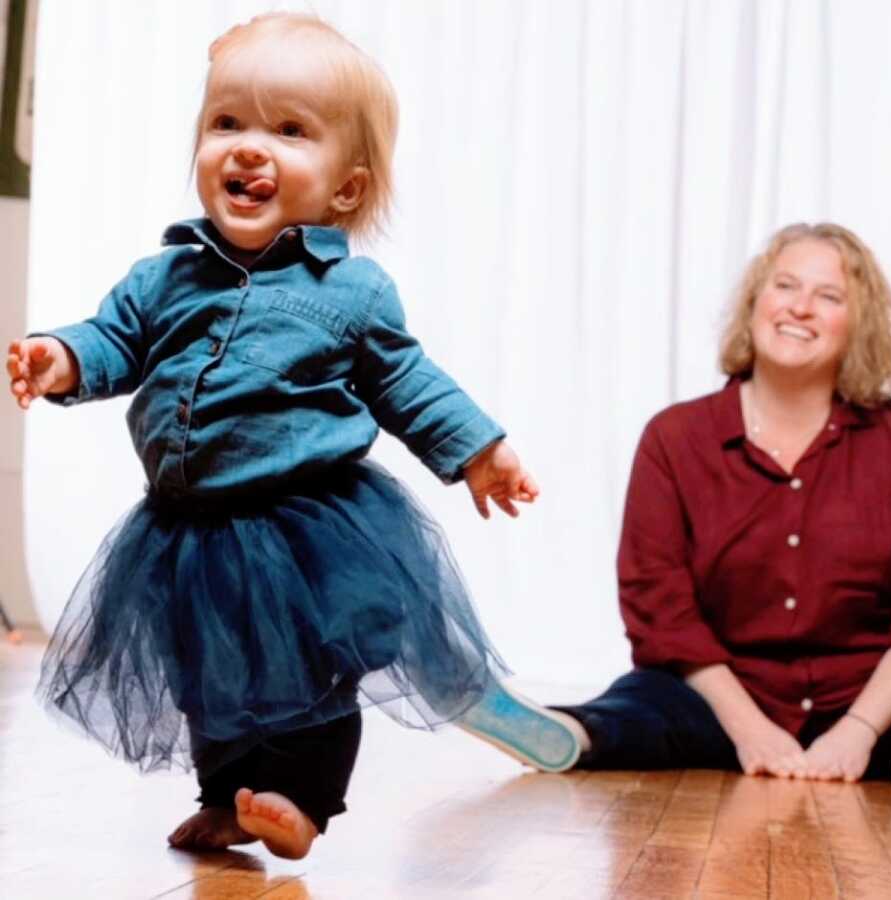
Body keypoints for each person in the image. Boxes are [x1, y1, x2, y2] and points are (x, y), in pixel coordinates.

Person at [4, 12, 573, 860]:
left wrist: (480, 453)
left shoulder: (352, 291)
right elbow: (114, 339)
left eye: (288, 130)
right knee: (209, 676)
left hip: (306, 527)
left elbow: (408, 383)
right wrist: (60, 359)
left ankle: (303, 800)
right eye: (226, 123)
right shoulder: (164, 276)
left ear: (344, 188)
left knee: (313, 673)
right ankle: (228, 797)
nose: (246, 147)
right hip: (187, 531)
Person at [472, 222, 891, 784]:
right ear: (755, 303)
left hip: (872, 700)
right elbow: (659, 601)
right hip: (719, 697)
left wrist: (860, 731)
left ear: (858, 324)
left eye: (829, 296)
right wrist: (750, 729)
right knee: (641, 707)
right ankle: (567, 734)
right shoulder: (676, 439)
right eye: (786, 286)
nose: (801, 308)